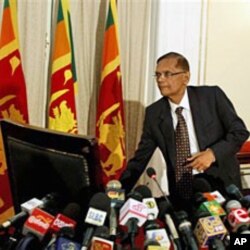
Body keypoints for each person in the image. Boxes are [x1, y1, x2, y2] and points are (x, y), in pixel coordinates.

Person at [119, 52, 249, 211]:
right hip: (182, 192)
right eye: (158, 75)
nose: (160, 79)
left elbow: (239, 132)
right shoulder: (154, 113)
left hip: (220, 186)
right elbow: (140, 159)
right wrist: (118, 193)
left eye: (167, 74)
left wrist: (212, 153)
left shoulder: (211, 96)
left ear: (185, 77)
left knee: (234, 236)